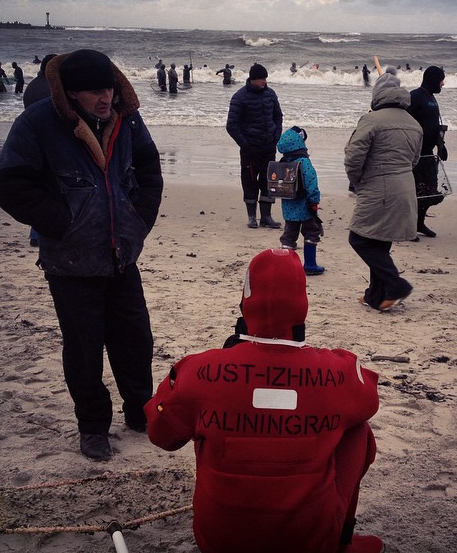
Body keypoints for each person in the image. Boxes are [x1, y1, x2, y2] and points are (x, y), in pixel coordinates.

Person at [145, 248, 383, 553]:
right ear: (302, 305)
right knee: (357, 428)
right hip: (308, 542)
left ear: (245, 303)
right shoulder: (338, 374)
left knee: (199, 416)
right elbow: (368, 399)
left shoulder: (199, 369)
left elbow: (161, 434)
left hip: (218, 541)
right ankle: (341, 542)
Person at [0, 49, 163, 461]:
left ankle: (140, 413)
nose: (105, 98)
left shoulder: (127, 119)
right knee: (84, 350)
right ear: (71, 93)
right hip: (70, 263)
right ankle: (93, 427)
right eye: (94, 92)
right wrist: (63, 223)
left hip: (122, 255)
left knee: (136, 340)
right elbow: (9, 185)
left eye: (109, 89)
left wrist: (138, 220)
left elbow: (149, 170)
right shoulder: (38, 123)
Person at [344, 69, 422, 311]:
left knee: (359, 239)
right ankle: (375, 295)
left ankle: (396, 285)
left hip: (378, 187)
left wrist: (357, 182)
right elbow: (415, 160)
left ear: (377, 95)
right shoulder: (414, 124)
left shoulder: (371, 120)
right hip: (405, 187)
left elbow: (353, 157)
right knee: (379, 241)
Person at [226, 63, 283, 229]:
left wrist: (276, 136)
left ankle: (266, 217)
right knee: (249, 182)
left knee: (268, 182)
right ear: (253, 79)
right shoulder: (239, 97)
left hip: (269, 147)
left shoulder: (271, 94)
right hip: (250, 150)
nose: (264, 81)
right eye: (261, 79)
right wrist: (246, 144)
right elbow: (231, 125)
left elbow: (278, 117)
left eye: (265, 78)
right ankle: (251, 217)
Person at [276, 126, 324, 275]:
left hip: (288, 206)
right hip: (305, 207)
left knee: (289, 236)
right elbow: (311, 182)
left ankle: (286, 266)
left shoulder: (283, 162)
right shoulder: (304, 162)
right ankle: (310, 265)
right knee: (311, 232)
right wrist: (314, 200)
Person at [22, 52, 58, 247]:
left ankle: (35, 234)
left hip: (33, 141)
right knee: (51, 188)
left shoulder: (33, 85)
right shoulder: (52, 88)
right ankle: (39, 234)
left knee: (40, 187)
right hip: (49, 143)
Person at [407, 65, 447, 238]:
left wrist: (441, 145)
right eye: (441, 80)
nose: (443, 84)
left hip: (429, 152)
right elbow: (405, 122)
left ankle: (420, 223)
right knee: (416, 190)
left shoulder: (431, 97)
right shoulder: (415, 96)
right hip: (415, 153)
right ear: (433, 79)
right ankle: (409, 225)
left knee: (429, 190)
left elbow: (434, 126)